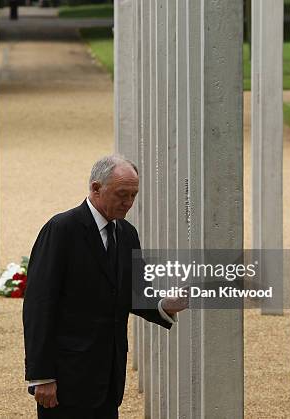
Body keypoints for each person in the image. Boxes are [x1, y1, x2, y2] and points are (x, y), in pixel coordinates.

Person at [23, 155, 188, 418]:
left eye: (134, 195)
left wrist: (164, 305)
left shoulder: (127, 233)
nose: (129, 202)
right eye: (122, 194)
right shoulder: (61, 229)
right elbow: (39, 305)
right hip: (66, 376)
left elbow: (135, 293)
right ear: (96, 189)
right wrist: (41, 375)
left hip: (109, 377)